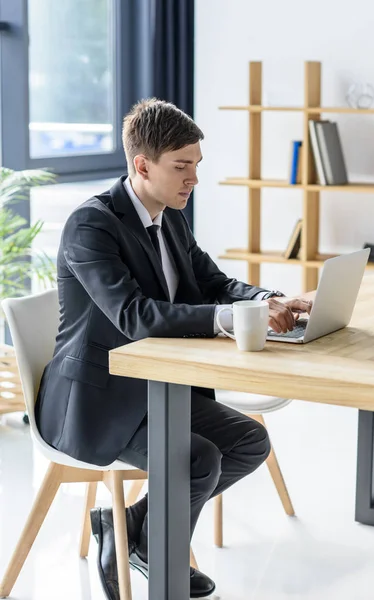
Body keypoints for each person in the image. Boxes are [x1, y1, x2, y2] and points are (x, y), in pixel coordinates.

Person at [35, 99, 312, 599]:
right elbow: (134, 315)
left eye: (196, 166)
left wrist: (268, 300)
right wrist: (234, 320)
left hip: (156, 387)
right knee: (196, 459)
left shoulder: (172, 217)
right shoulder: (91, 225)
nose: (194, 179)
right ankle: (157, 554)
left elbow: (213, 282)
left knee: (249, 441)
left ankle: (133, 532)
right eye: (181, 167)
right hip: (97, 401)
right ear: (142, 166)